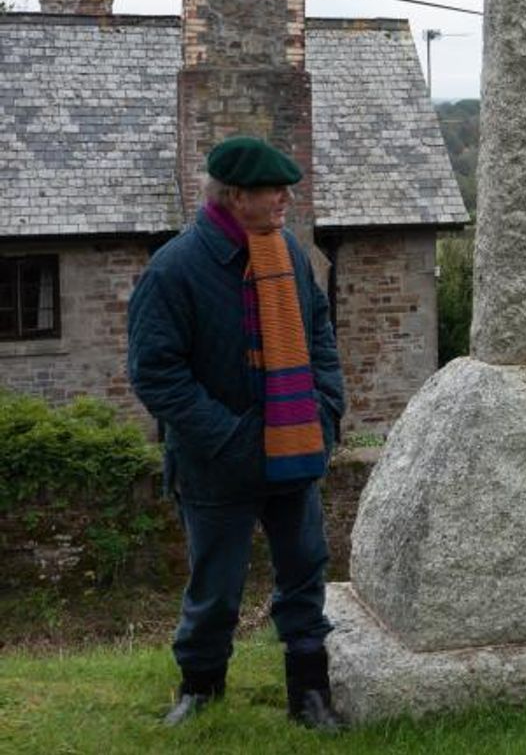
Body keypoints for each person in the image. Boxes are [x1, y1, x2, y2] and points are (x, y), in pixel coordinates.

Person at [127, 137, 347, 731]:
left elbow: (319, 328)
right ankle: (200, 688)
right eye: (273, 190)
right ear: (233, 197)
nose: (285, 198)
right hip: (215, 464)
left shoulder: (290, 255)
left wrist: (326, 407)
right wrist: (230, 438)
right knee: (216, 588)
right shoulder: (173, 270)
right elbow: (155, 374)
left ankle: (309, 696)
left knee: (304, 573)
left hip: (296, 449)